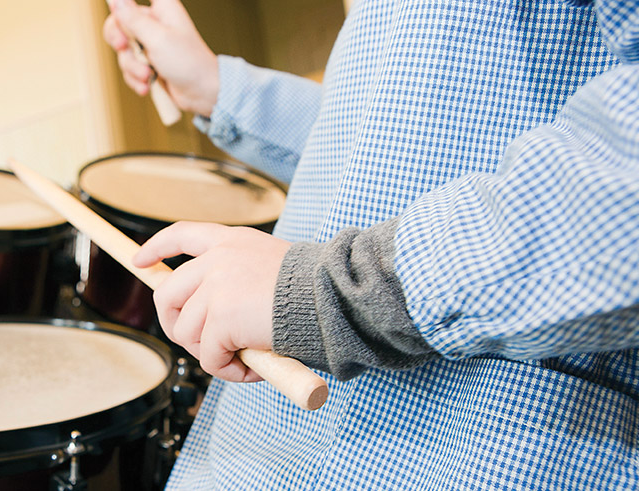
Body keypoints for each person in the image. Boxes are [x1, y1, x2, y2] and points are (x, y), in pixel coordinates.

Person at [104, 0, 638, 488]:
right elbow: (397, 147)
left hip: (471, 443)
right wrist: (223, 91)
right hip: (268, 448)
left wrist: (333, 291)